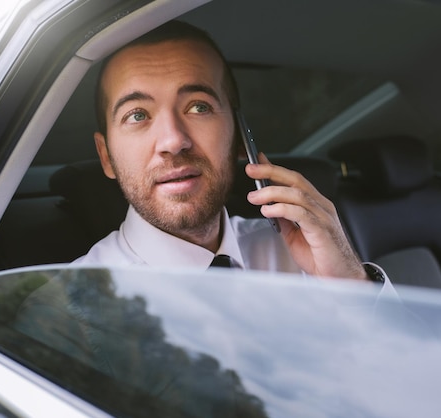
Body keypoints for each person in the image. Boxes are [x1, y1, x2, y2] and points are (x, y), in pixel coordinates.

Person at [73, 20, 388, 284]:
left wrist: (351, 284)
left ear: (239, 137)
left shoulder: (302, 258)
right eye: (137, 115)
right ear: (106, 156)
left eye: (199, 107)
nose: (173, 141)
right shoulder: (74, 303)